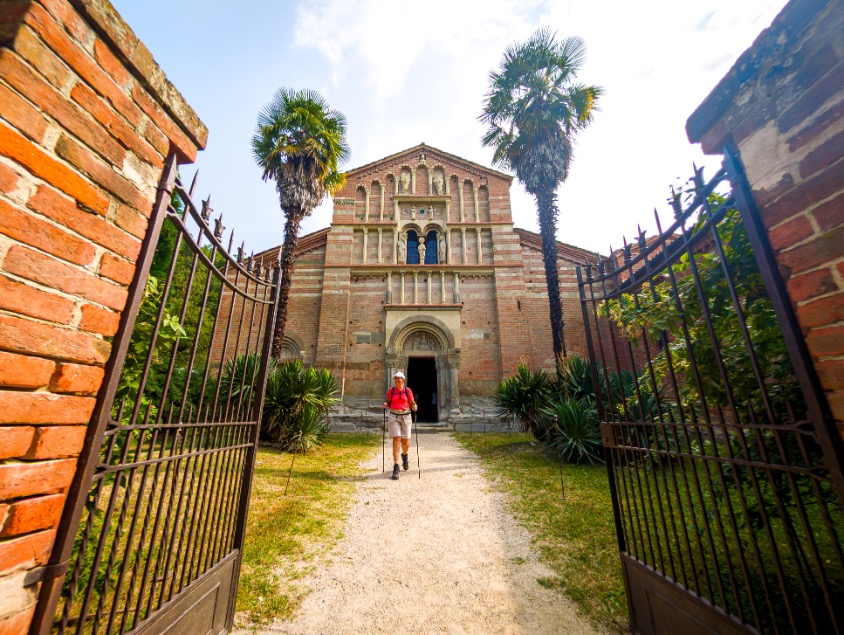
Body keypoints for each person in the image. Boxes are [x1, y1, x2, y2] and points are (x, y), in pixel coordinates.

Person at [382, 371, 417, 480]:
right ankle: (396, 466)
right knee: (396, 439)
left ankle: (405, 455)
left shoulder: (408, 391)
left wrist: (414, 406)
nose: (396, 380)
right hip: (393, 416)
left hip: (406, 416)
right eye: (395, 379)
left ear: (403, 380)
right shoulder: (391, 391)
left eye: (398, 379)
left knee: (406, 441)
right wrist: (385, 404)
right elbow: (388, 401)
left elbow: (411, 402)